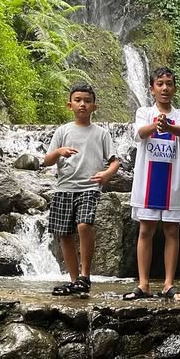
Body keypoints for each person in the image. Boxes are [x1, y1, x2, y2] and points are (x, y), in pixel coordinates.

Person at [43, 82, 120, 297]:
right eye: (78, 100)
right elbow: (46, 161)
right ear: (70, 105)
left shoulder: (101, 133)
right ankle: (74, 280)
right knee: (64, 234)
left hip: (89, 187)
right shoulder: (63, 131)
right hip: (64, 188)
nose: (82, 104)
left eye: (87, 101)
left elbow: (115, 161)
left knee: (84, 225)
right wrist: (59, 151)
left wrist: (106, 174)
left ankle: (85, 275)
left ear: (95, 106)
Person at [125, 67, 180, 301]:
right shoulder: (143, 112)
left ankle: (168, 284)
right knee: (146, 229)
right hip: (148, 181)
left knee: (172, 230)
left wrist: (168, 126)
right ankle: (143, 284)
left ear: (175, 88)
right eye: (160, 84)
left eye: (169, 84)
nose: (165, 88)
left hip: (174, 182)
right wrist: (156, 124)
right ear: (152, 88)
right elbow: (141, 132)